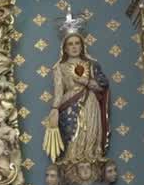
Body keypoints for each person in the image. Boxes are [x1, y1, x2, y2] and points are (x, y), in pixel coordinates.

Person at [44, 22, 110, 165]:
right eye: (70, 44)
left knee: (90, 133)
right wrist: (54, 109)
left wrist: (84, 81)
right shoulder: (59, 67)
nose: (74, 47)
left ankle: (92, 156)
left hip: (90, 103)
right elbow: (58, 92)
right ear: (65, 48)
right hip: (69, 105)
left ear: (82, 46)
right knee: (72, 138)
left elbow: (102, 87)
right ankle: (72, 161)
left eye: (77, 43)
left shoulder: (92, 65)